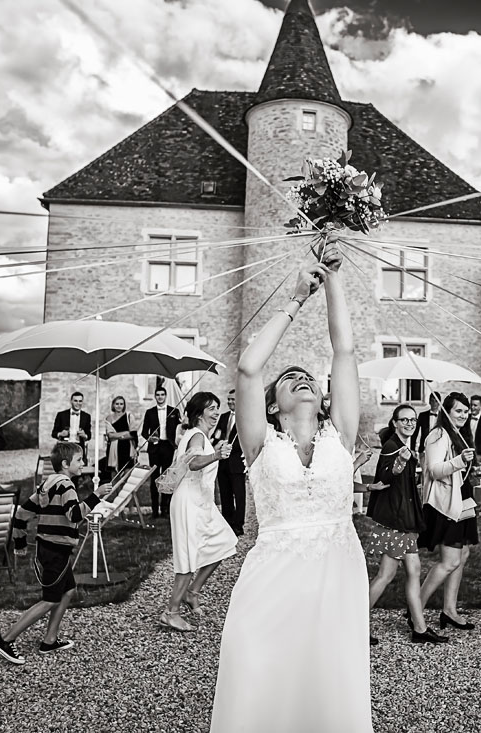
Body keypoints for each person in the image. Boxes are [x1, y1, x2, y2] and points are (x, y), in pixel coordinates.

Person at [210, 238, 371, 732]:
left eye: (308, 377)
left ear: (322, 397)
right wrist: (297, 297)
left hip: (337, 571)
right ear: (274, 402)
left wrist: (334, 276)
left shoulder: (341, 435)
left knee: (328, 680)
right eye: (291, 378)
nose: (302, 378)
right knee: (258, 669)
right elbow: (249, 367)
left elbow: (343, 349)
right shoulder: (260, 444)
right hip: (273, 573)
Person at [0, 441, 110, 664]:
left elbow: (21, 515)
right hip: (55, 551)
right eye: (79, 460)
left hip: (49, 549)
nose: (83, 463)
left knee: (68, 591)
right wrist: (96, 496)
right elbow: (75, 515)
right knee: (49, 599)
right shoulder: (66, 486)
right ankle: (5, 639)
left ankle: (50, 640)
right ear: (66, 464)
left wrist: (20, 544)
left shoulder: (47, 484)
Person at [366, 404, 447, 645]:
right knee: (386, 575)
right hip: (396, 522)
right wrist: (401, 462)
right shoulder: (393, 448)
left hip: (405, 521)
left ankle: (419, 628)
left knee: (413, 571)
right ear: (395, 423)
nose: (410, 423)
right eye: (404, 420)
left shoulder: (404, 446)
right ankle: (355, 624)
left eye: (412, 420)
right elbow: (386, 476)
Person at [158, 392, 237, 632]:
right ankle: (171, 612)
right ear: (199, 411)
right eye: (211, 408)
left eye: (217, 408)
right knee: (188, 557)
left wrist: (215, 451)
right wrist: (216, 455)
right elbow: (192, 463)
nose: (216, 413)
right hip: (188, 502)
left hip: (202, 502)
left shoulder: (198, 436)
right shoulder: (197, 436)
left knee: (225, 542)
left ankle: (192, 592)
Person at [418, 392, 479, 632]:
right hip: (445, 504)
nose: (463, 415)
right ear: (447, 412)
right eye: (458, 411)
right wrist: (459, 461)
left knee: (462, 555)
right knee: (449, 560)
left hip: (463, 499)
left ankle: (449, 610)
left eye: (466, 411)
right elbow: (434, 470)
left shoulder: (459, 434)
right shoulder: (438, 434)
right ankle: (416, 609)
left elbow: (456, 472)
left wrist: (471, 470)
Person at [142, 387, 180, 519]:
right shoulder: (149, 412)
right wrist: (150, 438)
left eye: (162, 395)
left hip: (168, 447)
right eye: (157, 395)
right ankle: (154, 510)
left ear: (166, 396)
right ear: (155, 396)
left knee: (166, 478)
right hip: (154, 448)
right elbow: (144, 432)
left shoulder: (174, 411)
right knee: (154, 479)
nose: (160, 397)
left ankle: (165, 509)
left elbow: (179, 429)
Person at [214, 389, 246, 536]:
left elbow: (246, 440)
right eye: (229, 399)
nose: (230, 402)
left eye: (233, 399)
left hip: (237, 462)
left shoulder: (244, 418)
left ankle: (238, 525)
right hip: (223, 462)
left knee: (239, 495)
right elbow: (217, 435)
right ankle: (227, 522)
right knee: (225, 494)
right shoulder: (223, 416)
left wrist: (232, 447)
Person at [99, 395, 137, 484]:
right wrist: (125, 433)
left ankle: (126, 495)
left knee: (127, 476)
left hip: (127, 449)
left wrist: (117, 435)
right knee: (114, 475)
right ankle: (117, 495)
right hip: (113, 449)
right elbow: (110, 436)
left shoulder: (129, 417)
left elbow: (133, 434)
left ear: (124, 405)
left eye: (121, 404)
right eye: (117, 404)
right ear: (113, 405)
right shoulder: (109, 418)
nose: (119, 406)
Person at [52, 391, 91, 464]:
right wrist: (60, 434)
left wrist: (84, 435)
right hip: (65, 446)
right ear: (71, 401)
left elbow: (89, 435)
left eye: (80, 401)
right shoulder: (61, 415)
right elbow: (53, 433)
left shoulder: (86, 416)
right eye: (75, 401)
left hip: (79, 447)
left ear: (82, 402)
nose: (78, 403)